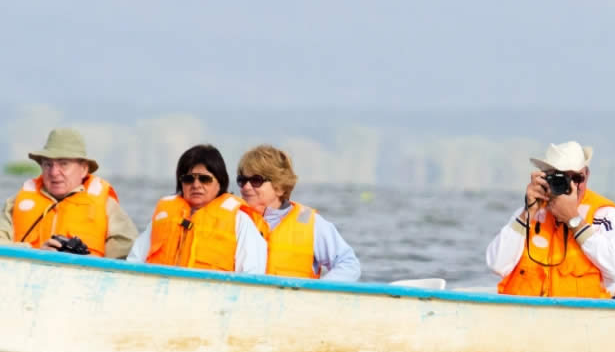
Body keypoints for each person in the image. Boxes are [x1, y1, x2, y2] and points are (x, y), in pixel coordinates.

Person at [486, 141, 615, 298]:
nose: (572, 186)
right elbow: (496, 264)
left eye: (577, 178)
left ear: (587, 176)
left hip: (584, 316)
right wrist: (527, 214)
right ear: (546, 178)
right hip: (527, 315)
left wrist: (574, 221)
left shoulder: (604, 215)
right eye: (562, 179)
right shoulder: (530, 212)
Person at [127, 143, 266, 273]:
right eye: (188, 179)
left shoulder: (240, 221)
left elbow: (252, 274)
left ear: (220, 182)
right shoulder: (162, 219)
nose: (196, 185)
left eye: (204, 179)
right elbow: (134, 263)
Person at [0, 127, 137, 258]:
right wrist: (37, 252)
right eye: (48, 164)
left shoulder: (107, 206)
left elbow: (129, 253)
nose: (54, 172)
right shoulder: (15, 203)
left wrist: (85, 259)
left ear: (83, 169)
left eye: (64, 164)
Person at [236, 144, 361, 281]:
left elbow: (349, 264)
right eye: (242, 180)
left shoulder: (310, 222)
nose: (246, 187)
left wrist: (318, 293)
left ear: (279, 186)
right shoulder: (235, 219)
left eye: (256, 180)